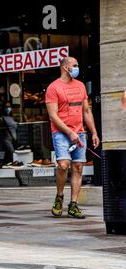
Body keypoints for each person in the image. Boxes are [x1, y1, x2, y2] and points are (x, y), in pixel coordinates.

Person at [45, 56, 100, 219]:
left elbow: (86, 111)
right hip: (61, 133)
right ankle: (59, 196)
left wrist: (94, 132)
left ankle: (73, 205)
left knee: (77, 167)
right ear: (65, 67)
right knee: (63, 165)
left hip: (80, 131)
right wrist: (69, 133)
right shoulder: (53, 88)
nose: (77, 68)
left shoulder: (81, 86)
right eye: (74, 65)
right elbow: (53, 116)